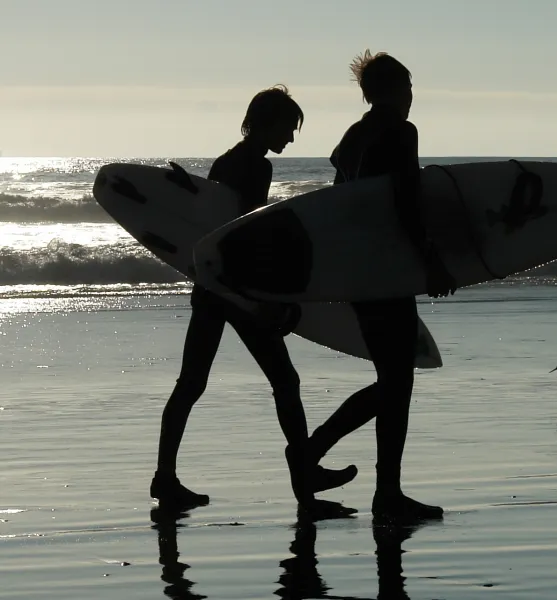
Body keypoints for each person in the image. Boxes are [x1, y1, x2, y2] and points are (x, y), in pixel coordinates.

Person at [150, 86, 357, 512]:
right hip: (236, 291)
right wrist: (264, 300)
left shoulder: (228, 160)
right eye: (288, 127)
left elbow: (214, 224)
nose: (292, 138)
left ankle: (164, 478)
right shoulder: (254, 167)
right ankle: (304, 475)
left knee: (191, 384)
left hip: (212, 287)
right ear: (266, 121)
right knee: (284, 380)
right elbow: (244, 238)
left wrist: (184, 191)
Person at [303, 50, 456, 521]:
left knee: (393, 380)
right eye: (408, 89)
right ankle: (329, 460)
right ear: (393, 91)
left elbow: (340, 204)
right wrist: (430, 261)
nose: (412, 99)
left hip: (358, 269)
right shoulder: (399, 131)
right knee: (396, 381)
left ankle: (376, 484)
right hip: (387, 269)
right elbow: (405, 201)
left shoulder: (354, 136)